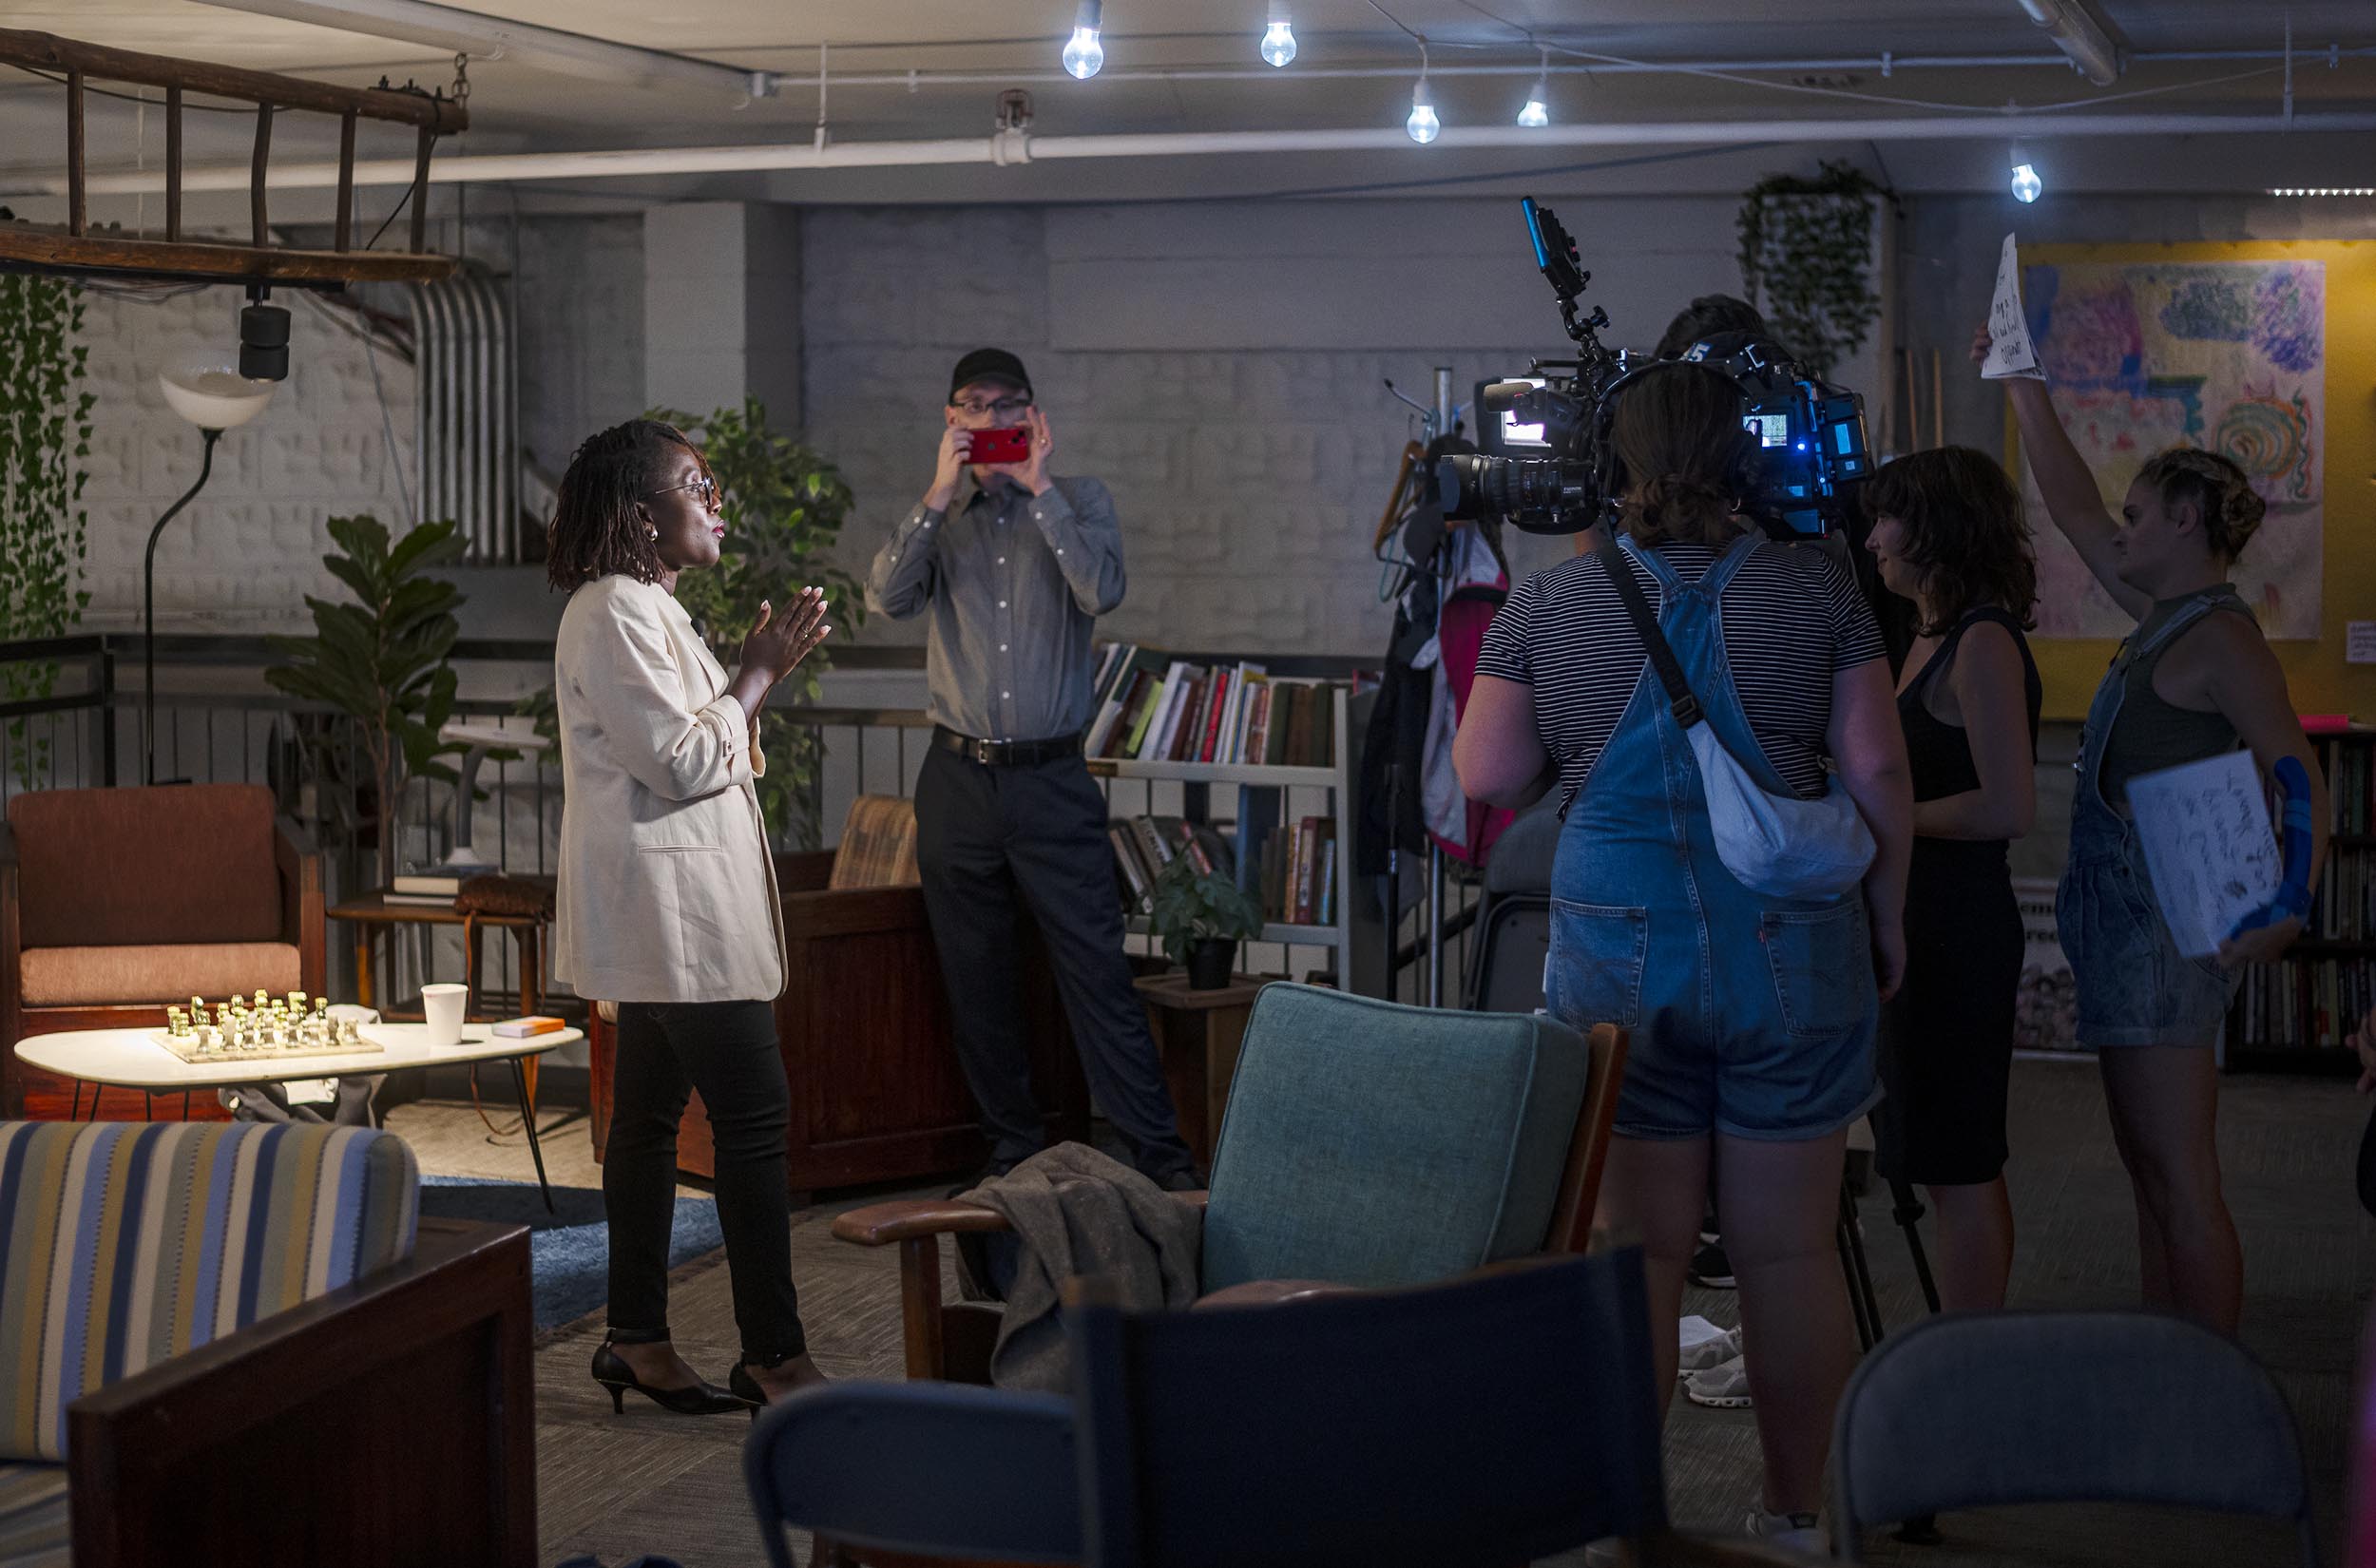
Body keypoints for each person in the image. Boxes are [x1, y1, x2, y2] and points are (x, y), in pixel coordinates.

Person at [1455, 361, 1912, 1553]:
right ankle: (1795, 1516)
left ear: (1610, 459)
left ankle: (1625, 1525)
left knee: (1639, 1257)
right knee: (1788, 1251)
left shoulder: (1548, 605)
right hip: (1792, 954)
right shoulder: (1823, 592)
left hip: (1618, 963)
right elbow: (1876, 771)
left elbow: (1485, 776)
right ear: (1750, 460)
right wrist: (1890, 915)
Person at [1985, 326, 2327, 1333]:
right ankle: (2165, 1360)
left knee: (2177, 1175)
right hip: (2127, 920)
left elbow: (2296, 770)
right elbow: (2074, 506)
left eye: (2139, 516)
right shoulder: (2163, 613)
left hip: (2164, 927)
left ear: (2185, 521)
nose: (2118, 531)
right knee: (2146, 1168)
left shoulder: (2217, 637)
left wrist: (2290, 902)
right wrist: (2020, 381)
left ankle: (2209, 1395)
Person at [548, 418, 834, 1414]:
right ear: (641, 515)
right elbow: (677, 762)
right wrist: (756, 672)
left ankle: (636, 1339)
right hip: (671, 921)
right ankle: (775, 1357)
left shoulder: (647, 607)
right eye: (694, 485)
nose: (715, 501)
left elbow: (711, 750)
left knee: (648, 1122)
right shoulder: (610, 611)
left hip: (672, 914)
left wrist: (754, 680)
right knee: (753, 1122)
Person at [867, 349, 1198, 1190]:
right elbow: (886, 597)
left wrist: (1040, 488)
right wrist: (939, 493)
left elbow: (1102, 591)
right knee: (976, 981)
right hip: (957, 782)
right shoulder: (942, 520)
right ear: (952, 421)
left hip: (1052, 781)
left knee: (1097, 975)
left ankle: (1162, 1168)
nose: (990, 420)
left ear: (1035, 417)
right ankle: (1012, 1154)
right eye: (972, 407)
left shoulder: (1081, 501)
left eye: (1007, 405)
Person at [1862, 446, 2042, 1313]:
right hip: (1922, 918)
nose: (1871, 539)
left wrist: (1888, 818)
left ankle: (1974, 1356)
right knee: (1932, 1154)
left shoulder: (1981, 642)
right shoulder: (1924, 635)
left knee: (1962, 1159)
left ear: (1933, 528)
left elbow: (2009, 806)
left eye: (1886, 518)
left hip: (1959, 925)